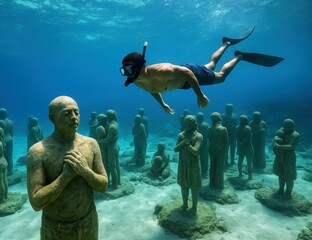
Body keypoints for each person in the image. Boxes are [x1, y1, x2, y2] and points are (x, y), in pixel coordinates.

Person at [120, 27, 283, 114]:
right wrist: (163, 104)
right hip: (183, 83)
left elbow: (188, 73)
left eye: (128, 69)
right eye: (124, 71)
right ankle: (226, 43)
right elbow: (153, 89)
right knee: (210, 66)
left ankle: (239, 56)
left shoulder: (162, 70)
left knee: (220, 77)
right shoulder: (137, 81)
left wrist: (200, 95)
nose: (127, 74)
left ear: (141, 66)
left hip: (189, 74)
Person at [27, 96, 108, 240]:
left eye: (76, 112)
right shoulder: (38, 152)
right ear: (52, 118)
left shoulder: (91, 144)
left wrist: (85, 171)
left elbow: (103, 186)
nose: (73, 117)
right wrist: (65, 177)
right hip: (55, 230)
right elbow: (36, 202)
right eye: (66, 113)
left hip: (89, 223)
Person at [174, 115, 202, 215]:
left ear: (194, 124)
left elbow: (195, 151)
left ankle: (194, 207)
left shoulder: (198, 136)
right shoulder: (181, 135)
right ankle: (185, 204)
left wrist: (188, 145)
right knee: (184, 186)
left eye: (190, 123)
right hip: (183, 164)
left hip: (193, 165)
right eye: (187, 123)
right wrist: (183, 143)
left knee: (195, 187)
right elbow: (175, 149)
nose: (188, 125)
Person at [272, 119, 300, 199]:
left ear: (291, 126)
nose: (284, 127)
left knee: (289, 177)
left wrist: (278, 146)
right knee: (280, 174)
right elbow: (276, 137)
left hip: (289, 157)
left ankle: (288, 193)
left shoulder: (295, 135)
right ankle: (281, 189)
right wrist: (276, 138)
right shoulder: (282, 132)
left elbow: (291, 146)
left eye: (286, 126)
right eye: (284, 125)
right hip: (280, 156)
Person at [98, 110, 121, 189]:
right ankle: (118, 181)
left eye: (107, 116)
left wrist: (98, 141)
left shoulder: (111, 127)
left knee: (112, 167)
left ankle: (115, 185)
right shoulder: (116, 124)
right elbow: (116, 136)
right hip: (116, 146)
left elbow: (107, 140)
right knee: (116, 165)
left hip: (112, 148)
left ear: (109, 117)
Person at [208, 112, 229, 189]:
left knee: (212, 166)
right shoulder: (223, 129)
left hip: (211, 148)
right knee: (219, 167)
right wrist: (225, 151)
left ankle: (211, 183)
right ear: (218, 118)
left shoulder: (209, 128)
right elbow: (226, 141)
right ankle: (219, 185)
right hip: (220, 149)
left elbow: (209, 139)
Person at [0, 108, 14, 175]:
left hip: (2, 141)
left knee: (1, 157)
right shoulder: (11, 122)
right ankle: (10, 170)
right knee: (9, 156)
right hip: (10, 140)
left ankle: (3, 171)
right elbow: (12, 133)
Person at [236, 115, 254, 180]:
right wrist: (243, 143)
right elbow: (247, 138)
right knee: (249, 162)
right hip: (248, 147)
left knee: (240, 161)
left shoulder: (237, 127)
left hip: (240, 148)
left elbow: (237, 138)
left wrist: (240, 144)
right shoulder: (248, 128)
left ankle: (240, 174)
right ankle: (250, 176)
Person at [196, 112, 209, 178]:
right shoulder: (206, 125)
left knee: (197, 156)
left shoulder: (195, 125)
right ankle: (204, 171)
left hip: (196, 143)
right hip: (205, 143)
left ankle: (198, 170)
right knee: (204, 157)